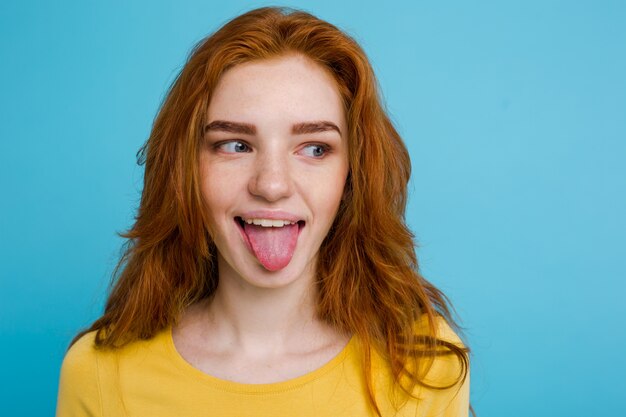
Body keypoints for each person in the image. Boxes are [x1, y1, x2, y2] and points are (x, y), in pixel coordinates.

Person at [56, 7, 470, 417]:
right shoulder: (98, 373)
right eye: (235, 145)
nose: (272, 185)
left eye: (314, 148)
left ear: (352, 175)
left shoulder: (425, 366)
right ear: (185, 169)